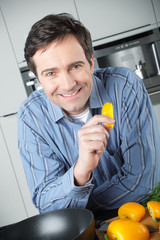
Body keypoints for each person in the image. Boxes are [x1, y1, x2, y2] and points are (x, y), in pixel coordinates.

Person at [18, 13, 160, 214]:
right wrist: (81, 171)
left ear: (91, 63)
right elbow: (45, 203)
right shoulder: (31, 117)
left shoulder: (124, 86)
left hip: (142, 217)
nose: (67, 85)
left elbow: (143, 180)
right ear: (39, 80)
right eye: (51, 73)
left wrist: (77, 203)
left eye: (75, 66)